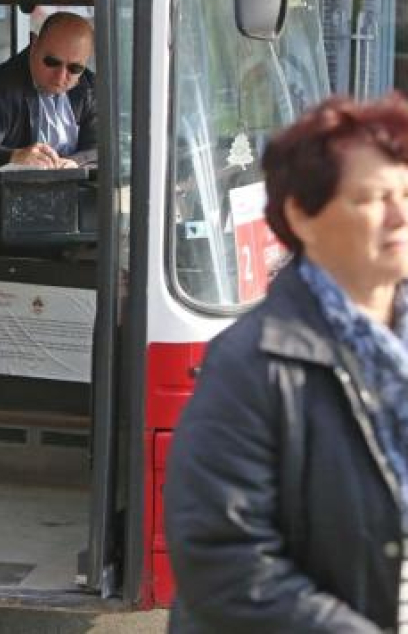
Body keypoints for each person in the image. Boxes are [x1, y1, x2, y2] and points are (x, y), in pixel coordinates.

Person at [164, 94, 408, 633]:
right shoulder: (250, 364)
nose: (399, 215)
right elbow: (224, 562)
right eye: (372, 198)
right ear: (302, 215)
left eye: (407, 193)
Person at [0, 11, 96, 231]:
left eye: (74, 68)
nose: (60, 77)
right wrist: (15, 157)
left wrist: (75, 163)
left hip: (72, 215)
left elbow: (107, 147)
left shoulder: (88, 89)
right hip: (8, 220)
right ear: (34, 43)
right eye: (52, 62)